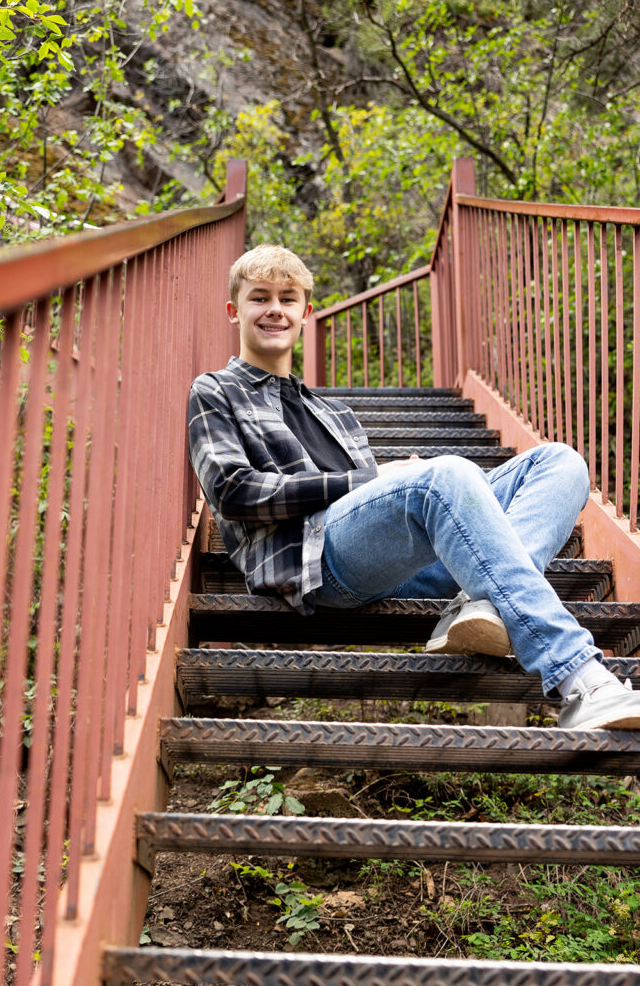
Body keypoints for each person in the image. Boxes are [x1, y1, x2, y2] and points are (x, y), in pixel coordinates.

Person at [188, 244, 640, 731]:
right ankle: (582, 678)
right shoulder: (214, 390)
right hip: (311, 559)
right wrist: (379, 478)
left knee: (560, 461)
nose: (274, 309)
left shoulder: (334, 414)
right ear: (235, 311)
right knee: (447, 474)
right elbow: (234, 492)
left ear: (305, 314)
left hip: (390, 561)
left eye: (287, 298)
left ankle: (482, 603)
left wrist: (395, 479)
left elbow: (373, 506)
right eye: (260, 298)